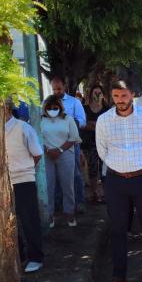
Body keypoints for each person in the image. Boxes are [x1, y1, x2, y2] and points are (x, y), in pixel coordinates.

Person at [96, 80, 142, 282]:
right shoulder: (104, 120)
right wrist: (121, 167)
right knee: (117, 230)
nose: (120, 101)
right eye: (116, 96)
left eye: (124, 96)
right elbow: (102, 151)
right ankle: (119, 276)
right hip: (116, 181)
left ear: (132, 94)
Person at [4, 103, 44, 273]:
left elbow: (37, 154)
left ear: (6, 108)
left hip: (23, 180)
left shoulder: (22, 127)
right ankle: (18, 255)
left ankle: (36, 257)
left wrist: (25, 170)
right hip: (2, 184)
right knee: (7, 221)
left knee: (29, 220)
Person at [40, 95, 82, 227]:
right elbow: (37, 137)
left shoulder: (68, 119)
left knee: (67, 185)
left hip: (65, 154)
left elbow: (74, 138)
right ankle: (50, 215)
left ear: (60, 107)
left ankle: (69, 213)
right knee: (48, 186)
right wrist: (48, 150)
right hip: (46, 156)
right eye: (49, 107)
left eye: (55, 107)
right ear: (45, 108)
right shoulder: (41, 120)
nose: (52, 110)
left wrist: (59, 150)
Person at [51, 76, 87, 212]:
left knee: (75, 173)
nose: (56, 92)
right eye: (54, 89)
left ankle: (79, 202)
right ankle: (59, 203)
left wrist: (68, 124)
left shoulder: (74, 102)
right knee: (55, 174)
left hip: (71, 143)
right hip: (52, 143)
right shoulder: (46, 103)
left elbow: (82, 121)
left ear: (64, 87)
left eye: (59, 89)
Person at [80, 84, 109, 204]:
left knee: (104, 170)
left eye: (99, 93)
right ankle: (93, 193)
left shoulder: (107, 109)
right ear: (91, 94)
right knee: (92, 168)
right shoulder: (85, 108)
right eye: (95, 92)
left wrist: (93, 124)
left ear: (103, 95)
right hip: (89, 142)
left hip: (104, 143)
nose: (97, 95)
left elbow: (109, 125)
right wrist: (95, 124)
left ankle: (106, 194)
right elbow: (82, 124)